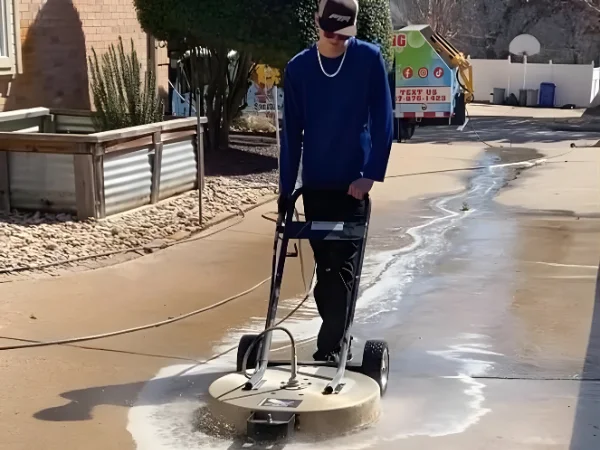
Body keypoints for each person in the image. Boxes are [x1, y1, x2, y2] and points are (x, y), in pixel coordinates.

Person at [279, 0, 393, 362]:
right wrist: (285, 192)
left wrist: (370, 175)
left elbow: (383, 121)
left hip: (352, 187)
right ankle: (334, 341)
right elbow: (290, 135)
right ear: (317, 21)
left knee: (341, 270)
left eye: (342, 33)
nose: (335, 39)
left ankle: (329, 349)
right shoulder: (299, 69)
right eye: (329, 30)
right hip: (316, 186)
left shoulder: (368, 60)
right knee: (326, 270)